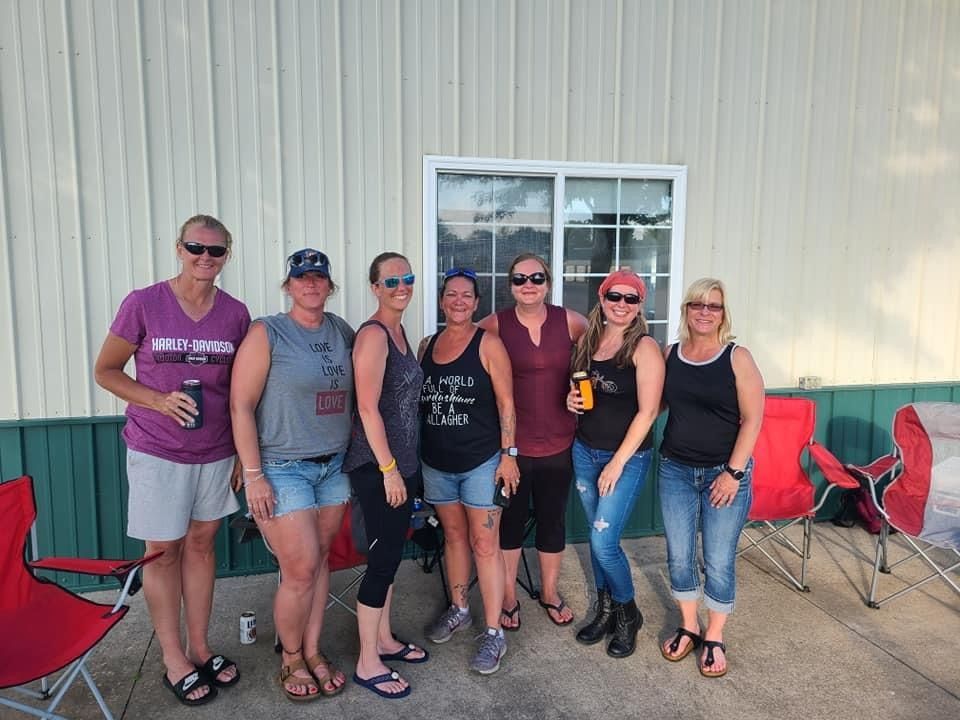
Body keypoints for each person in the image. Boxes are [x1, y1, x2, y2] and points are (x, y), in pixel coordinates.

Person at [93, 215, 250, 706]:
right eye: (195, 247)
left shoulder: (236, 314)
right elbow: (106, 370)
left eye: (216, 250)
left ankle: (200, 646)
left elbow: (243, 390)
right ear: (179, 248)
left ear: (227, 256)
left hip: (216, 450)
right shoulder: (144, 303)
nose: (205, 257)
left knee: (202, 545)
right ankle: (172, 656)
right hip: (157, 449)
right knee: (163, 551)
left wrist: (244, 453)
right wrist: (158, 400)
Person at [230, 248, 353, 702]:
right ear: (288, 285)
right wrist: (253, 474)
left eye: (318, 276)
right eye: (301, 277)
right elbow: (241, 405)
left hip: (333, 466)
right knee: (299, 568)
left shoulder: (341, 330)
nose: (311, 283)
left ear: (330, 285)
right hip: (282, 468)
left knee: (320, 560)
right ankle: (291, 657)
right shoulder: (268, 332)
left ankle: (314, 649)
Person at [657, 278, 763, 678]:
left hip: (724, 473)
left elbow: (752, 420)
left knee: (717, 559)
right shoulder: (671, 354)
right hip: (675, 470)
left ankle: (714, 635)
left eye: (713, 306)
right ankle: (689, 625)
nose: (704, 312)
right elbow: (653, 404)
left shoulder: (737, 357)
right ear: (686, 310)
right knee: (679, 555)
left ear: (723, 313)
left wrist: (733, 473)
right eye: (697, 304)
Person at [478, 253, 587, 629]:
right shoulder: (495, 325)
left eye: (537, 278)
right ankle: (508, 595)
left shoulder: (570, 321)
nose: (529, 285)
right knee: (510, 523)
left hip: (560, 442)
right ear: (510, 285)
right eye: (520, 279)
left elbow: (602, 355)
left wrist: (580, 389)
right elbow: (460, 346)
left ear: (548, 283)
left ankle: (549, 592)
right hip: (512, 447)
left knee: (552, 521)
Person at [420, 268, 520, 674]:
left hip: (482, 462)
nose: (458, 301)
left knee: (485, 544)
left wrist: (509, 455)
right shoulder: (427, 345)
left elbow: (507, 404)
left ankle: (494, 632)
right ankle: (459, 609)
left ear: (476, 303)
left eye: (466, 295)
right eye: (451, 294)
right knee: (454, 537)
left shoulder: (488, 344)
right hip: (436, 462)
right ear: (441, 301)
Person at [343, 252, 429, 699]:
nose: (401, 286)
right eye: (391, 280)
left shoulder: (399, 331)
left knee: (392, 556)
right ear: (375, 287)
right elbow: (366, 407)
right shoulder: (374, 335)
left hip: (403, 464)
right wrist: (389, 470)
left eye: (407, 278)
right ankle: (367, 662)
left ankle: (384, 640)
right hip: (378, 467)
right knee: (381, 562)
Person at [566, 269, 664, 659]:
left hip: (625, 458)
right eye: (615, 296)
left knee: (604, 542)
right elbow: (578, 389)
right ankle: (605, 610)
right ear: (602, 298)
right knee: (596, 536)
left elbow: (649, 411)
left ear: (639, 305)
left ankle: (628, 613)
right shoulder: (587, 341)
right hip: (584, 449)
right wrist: (569, 400)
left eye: (631, 298)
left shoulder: (644, 347)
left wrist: (617, 463)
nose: (621, 304)